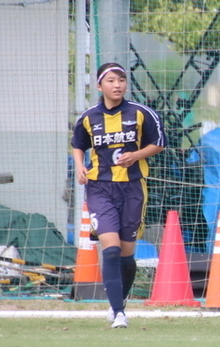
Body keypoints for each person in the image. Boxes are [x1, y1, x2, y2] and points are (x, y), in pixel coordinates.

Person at [71, 62, 166, 328]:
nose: (117, 85)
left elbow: (158, 142)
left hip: (133, 188)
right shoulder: (89, 117)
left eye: (121, 80)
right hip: (100, 188)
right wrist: (80, 167)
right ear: (99, 86)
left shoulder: (141, 113)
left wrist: (136, 155)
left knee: (126, 254)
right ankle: (118, 313)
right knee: (110, 249)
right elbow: (78, 144)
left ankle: (119, 302)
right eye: (111, 80)